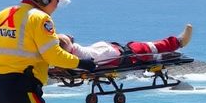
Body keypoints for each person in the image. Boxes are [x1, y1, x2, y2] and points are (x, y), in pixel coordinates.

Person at [57, 24, 193, 68]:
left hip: (115, 52)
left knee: (143, 49)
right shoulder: (80, 56)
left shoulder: (68, 58)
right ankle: (178, 42)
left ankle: (166, 53)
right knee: (146, 48)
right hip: (124, 55)